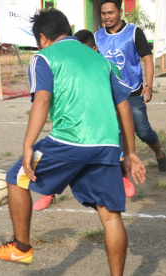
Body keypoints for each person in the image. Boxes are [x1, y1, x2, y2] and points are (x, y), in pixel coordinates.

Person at [0, 9, 146, 276]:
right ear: (67, 30)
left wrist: (28, 145)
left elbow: (43, 99)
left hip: (70, 140)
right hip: (106, 144)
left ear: (43, 38)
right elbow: (124, 106)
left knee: (16, 177)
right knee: (110, 216)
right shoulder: (99, 59)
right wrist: (130, 153)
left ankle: (21, 247)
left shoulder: (43, 58)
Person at [32, 29, 136, 211]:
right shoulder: (65, 66)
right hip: (75, 132)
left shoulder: (107, 66)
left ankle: (122, 176)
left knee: (113, 160)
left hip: (105, 130)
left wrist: (129, 149)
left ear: (94, 49)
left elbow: (122, 106)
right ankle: (48, 192)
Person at [95, 0, 166, 174]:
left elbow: (147, 59)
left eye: (110, 13)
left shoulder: (134, 32)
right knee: (115, 132)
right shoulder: (97, 37)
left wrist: (148, 86)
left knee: (143, 132)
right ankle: (121, 172)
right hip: (109, 94)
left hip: (133, 92)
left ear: (120, 12)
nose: (107, 17)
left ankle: (159, 153)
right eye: (104, 13)